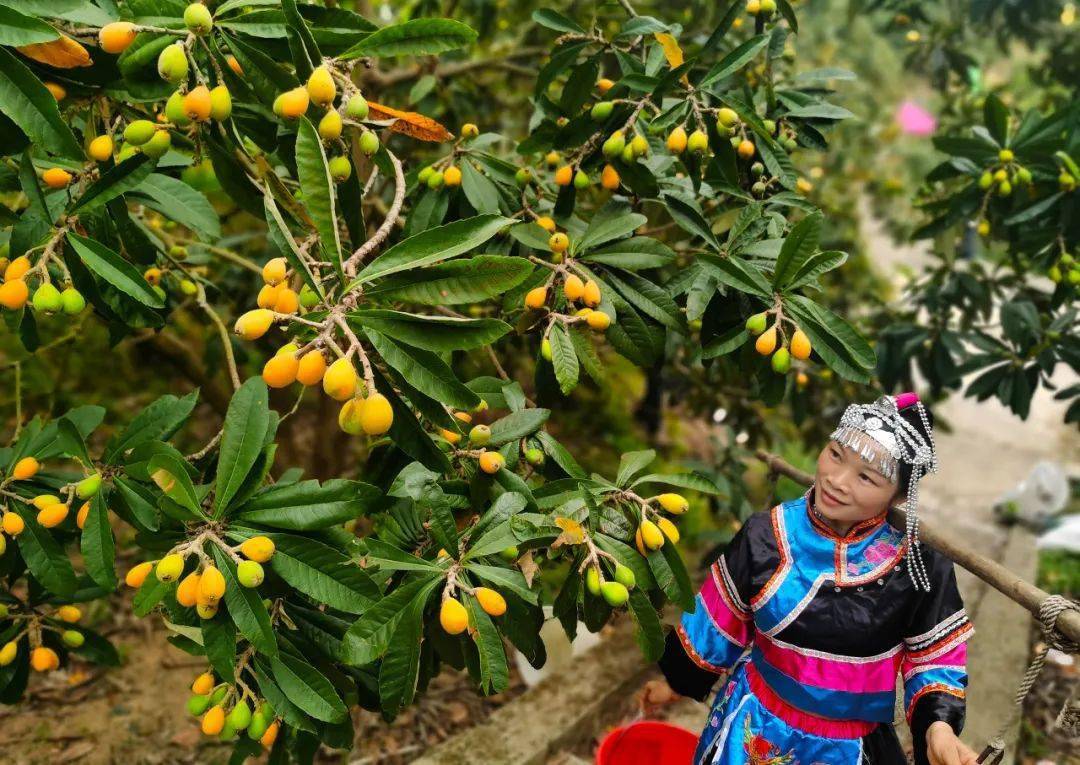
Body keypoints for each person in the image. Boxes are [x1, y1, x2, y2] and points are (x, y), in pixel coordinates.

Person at [655, 392, 979, 765]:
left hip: (850, 749)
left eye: (866, 477)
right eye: (836, 454)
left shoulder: (918, 565)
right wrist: (674, 683)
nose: (837, 480)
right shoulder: (766, 536)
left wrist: (938, 727)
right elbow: (717, 621)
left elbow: (934, 659)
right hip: (754, 729)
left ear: (898, 496)